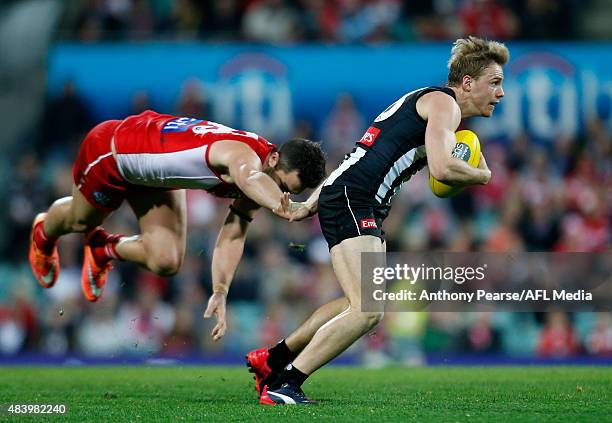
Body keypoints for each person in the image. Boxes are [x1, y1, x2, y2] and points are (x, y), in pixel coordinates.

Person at [245, 36, 509, 404]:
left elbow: (359, 155)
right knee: (369, 309)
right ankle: (284, 383)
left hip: (351, 195)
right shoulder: (444, 105)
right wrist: (484, 175)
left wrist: (312, 203)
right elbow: (442, 170)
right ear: (468, 83)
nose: (501, 93)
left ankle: (273, 359)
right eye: (495, 82)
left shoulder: (430, 102)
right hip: (357, 198)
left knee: (359, 303)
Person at [29, 110, 325, 340]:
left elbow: (234, 232)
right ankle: (43, 233)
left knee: (166, 260)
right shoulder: (244, 158)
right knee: (82, 220)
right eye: (282, 186)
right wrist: (291, 210)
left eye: (289, 193)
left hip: (157, 178)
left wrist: (220, 290)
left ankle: (102, 248)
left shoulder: (264, 178)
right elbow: (251, 179)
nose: (282, 195)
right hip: (113, 152)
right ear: (274, 158)